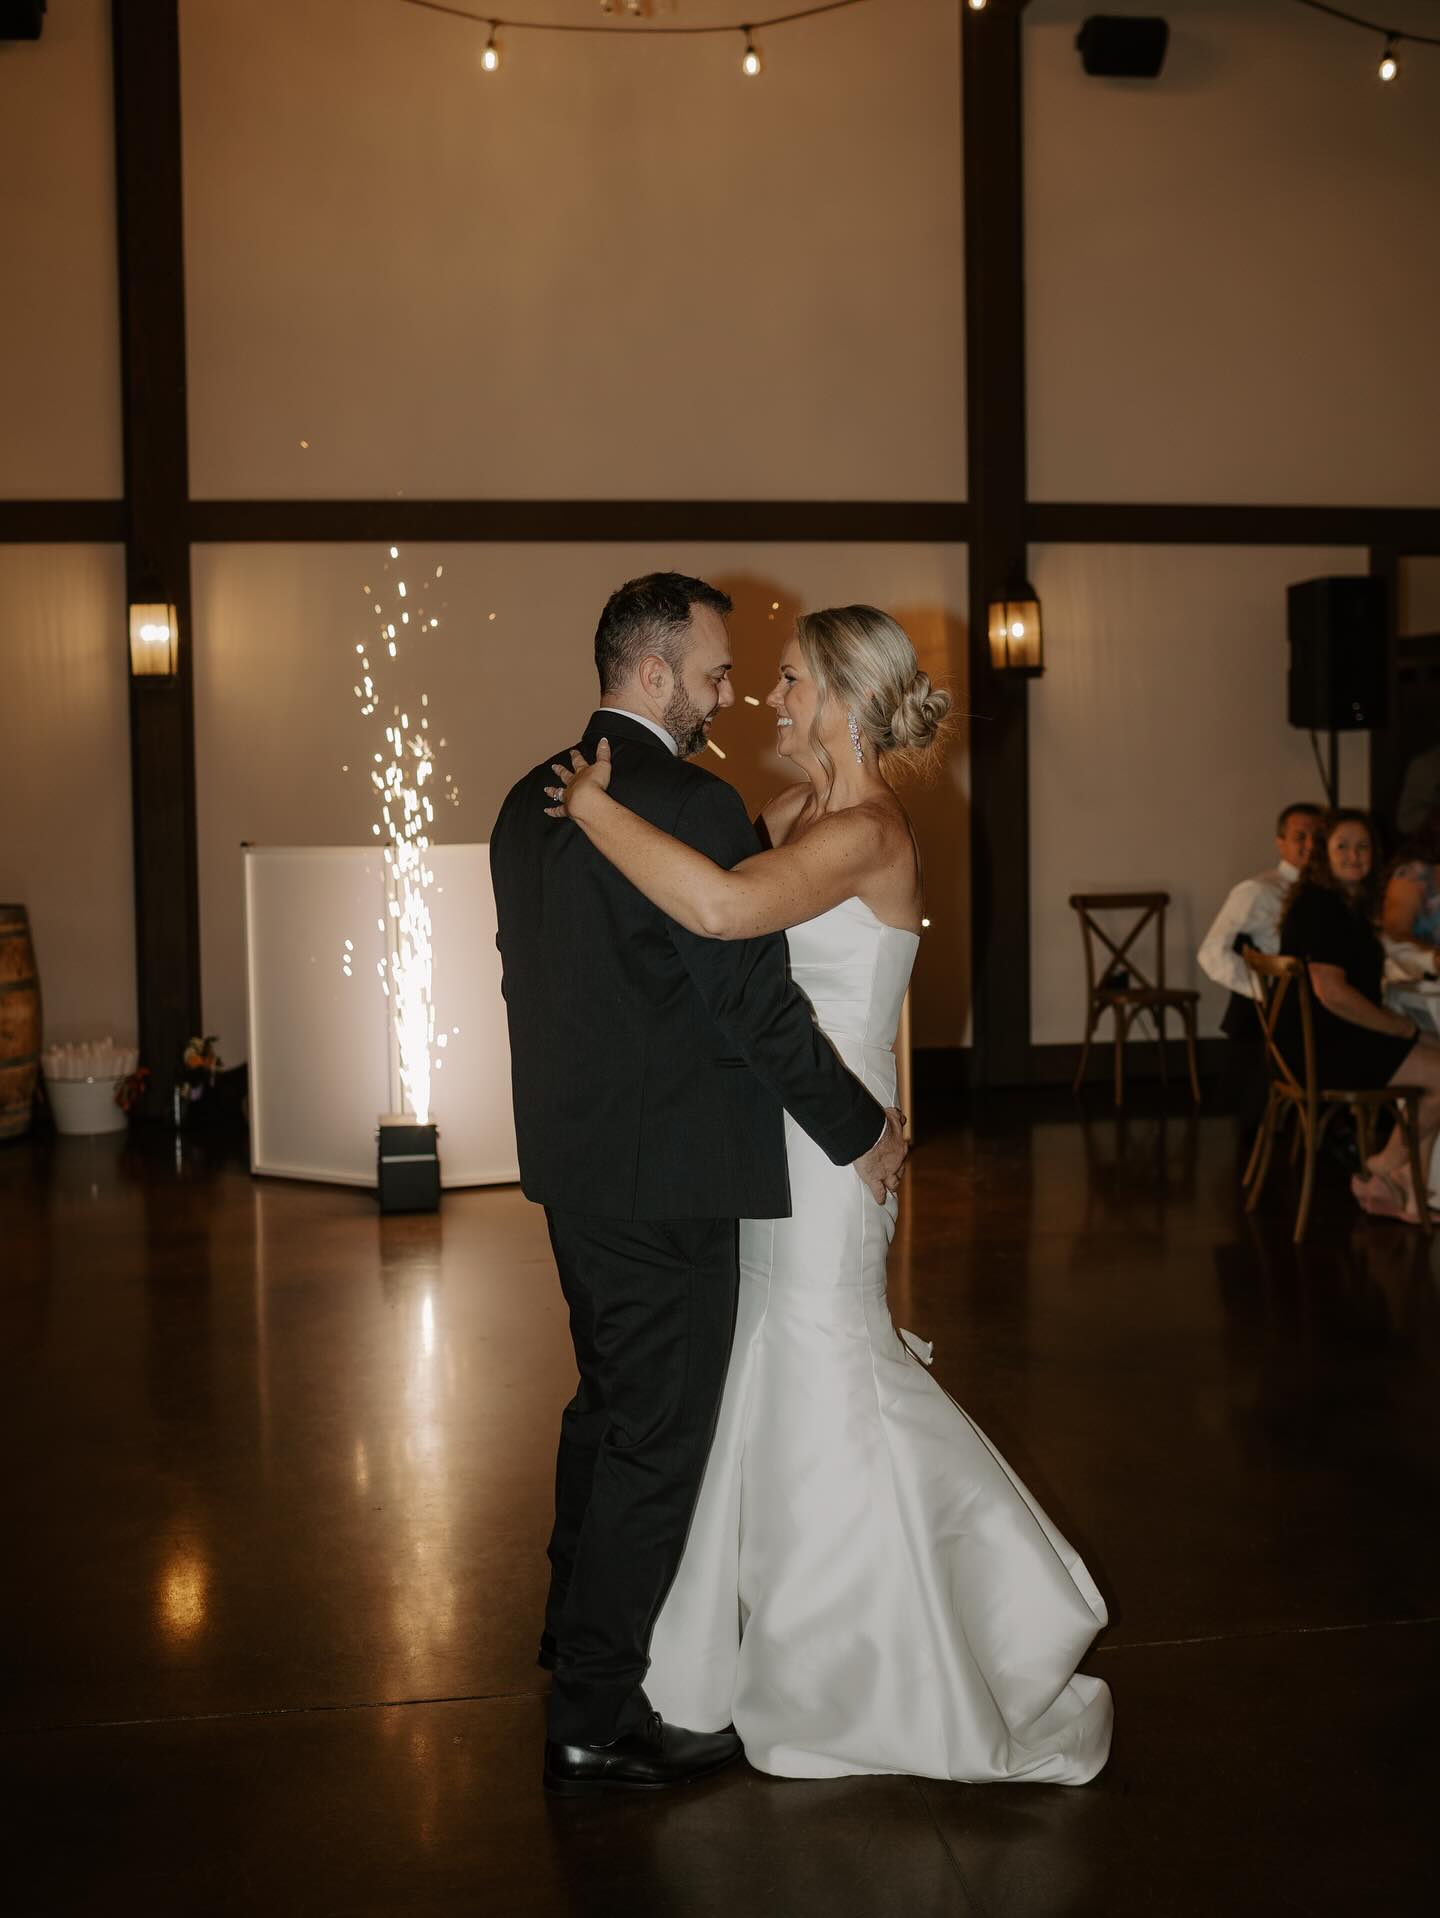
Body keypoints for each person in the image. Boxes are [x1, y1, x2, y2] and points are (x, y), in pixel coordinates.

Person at [547, 604, 1113, 1784]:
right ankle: (746, 1649)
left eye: (794, 679)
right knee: (773, 1369)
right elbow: (709, 927)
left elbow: (720, 910)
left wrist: (593, 808)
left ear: (849, 692)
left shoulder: (868, 830)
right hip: (774, 1142)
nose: (771, 697)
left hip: (833, 1156)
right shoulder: (796, 813)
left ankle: (907, 1642)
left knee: (833, 1371)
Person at [490, 574, 908, 1797]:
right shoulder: (689, 800)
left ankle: (569, 1626)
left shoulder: (530, 799)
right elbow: (753, 1002)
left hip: (571, 1169)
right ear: (659, 673)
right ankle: (594, 1711)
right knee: (659, 1438)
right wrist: (856, 1127)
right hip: (671, 1176)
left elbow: (536, 986)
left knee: (606, 1406)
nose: (733, 692)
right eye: (719, 672)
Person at [1279, 808, 1440, 1224]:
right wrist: (1400, 1027)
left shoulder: (1342, 902)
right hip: (1326, 1046)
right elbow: (1332, 995)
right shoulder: (1320, 908)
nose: (1354, 855)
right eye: (1343, 847)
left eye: (1363, 846)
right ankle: (1382, 1171)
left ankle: (1407, 1192)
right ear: (1323, 853)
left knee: (1436, 1052)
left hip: (1328, 1037)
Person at [1197, 802, 1322, 1038]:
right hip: (1283, 1013)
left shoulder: (1329, 891)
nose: (1311, 845)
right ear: (1281, 843)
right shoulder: (1259, 890)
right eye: (1300, 837)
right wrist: (1268, 993)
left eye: (1318, 837)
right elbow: (1212, 953)